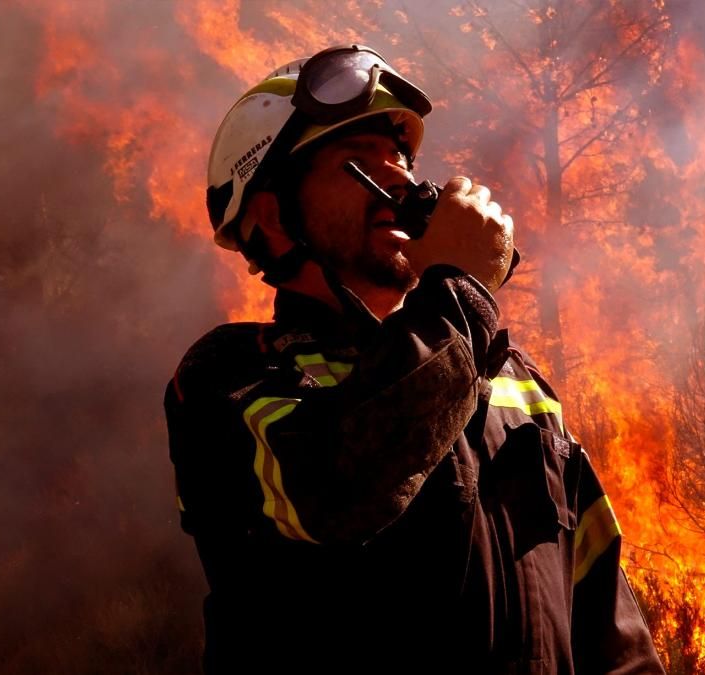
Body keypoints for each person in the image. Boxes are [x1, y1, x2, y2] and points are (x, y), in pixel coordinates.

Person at [165, 45, 663, 673]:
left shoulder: (515, 385)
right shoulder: (230, 379)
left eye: (400, 158)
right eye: (357, 163)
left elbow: (606, 622)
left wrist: (458, 310)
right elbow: (337, 491)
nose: (399, 177)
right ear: (272, 218)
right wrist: (460, 293)